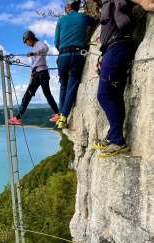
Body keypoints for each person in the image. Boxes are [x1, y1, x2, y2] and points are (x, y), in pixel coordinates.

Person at [94, 0, 154, 157]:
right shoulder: (107, 4)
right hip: (115, 48)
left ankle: (117, 141)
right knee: (115, 95)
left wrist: (146, 4)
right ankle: (113, 136)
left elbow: (143, 2)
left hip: (117, 47)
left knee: (104, 94)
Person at [55, 0, 98, 129]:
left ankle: (60, 113)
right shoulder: (83, 17)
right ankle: (64, 117)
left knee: (63, 84)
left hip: (63, 55)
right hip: (78, 54)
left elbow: (56, 42)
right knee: (72, 84)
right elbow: (95, 21)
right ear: (79, 6)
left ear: (68, 7)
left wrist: (64, 50)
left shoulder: (61, 20)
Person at [8, 31, 60, 125]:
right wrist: (31, 76)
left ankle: (17, 118)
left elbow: (45, 48)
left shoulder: (39, 45)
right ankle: (57, 114)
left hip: (40, 74)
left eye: (26, 42)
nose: (26, 44)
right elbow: (34, 64)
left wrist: (33, 53)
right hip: (39, 73)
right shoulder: (35, 47)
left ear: (29, 38)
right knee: (46, 94)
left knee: (27, 97)